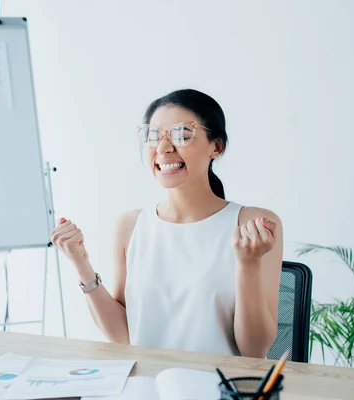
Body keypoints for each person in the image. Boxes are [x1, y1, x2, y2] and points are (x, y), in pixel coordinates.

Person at [50, 89, 283, 358]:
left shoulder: (252, 225)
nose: (163, 148)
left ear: (216, 147)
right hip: (147, 385)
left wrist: (248, 263)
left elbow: (254, 351)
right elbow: (124, 336)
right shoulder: (130, 226)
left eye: (181, 134)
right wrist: (82, 264)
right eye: (153, 135)